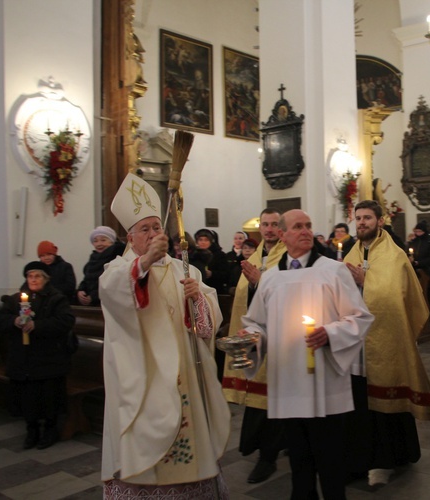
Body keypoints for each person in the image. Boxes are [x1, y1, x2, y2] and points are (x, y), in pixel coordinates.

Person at [98, 173, 230, 498]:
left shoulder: (185, 269)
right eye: (145, 229)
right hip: (142, 376)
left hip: (183, 372)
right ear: (130, 237)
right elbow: (115, 294)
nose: (155, 233)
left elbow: (207, 324)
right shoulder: (117, 270)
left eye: (157, 226)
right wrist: (143, 264)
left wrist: (198, 297)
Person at [239, 209, 373, 500]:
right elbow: (256, 323)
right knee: (299, 463)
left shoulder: (333, 270)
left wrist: (331, 333)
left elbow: (359, 317)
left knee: (331, 462)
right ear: (283, 235)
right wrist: (249, 338)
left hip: (325, 380)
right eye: (297, 227)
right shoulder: (271, 278)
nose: (305, 231)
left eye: (309, 226)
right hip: (289, 382)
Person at [344, 200, 430, 486]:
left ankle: (386, 461)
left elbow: (395, 294)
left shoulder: (395, 255)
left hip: (386, 340)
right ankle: (360, 459)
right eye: (358, 218)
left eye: (367, 218)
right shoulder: (351, 252)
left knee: (385, 401)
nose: (362, 223)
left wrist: (365, 280)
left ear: (380, 221)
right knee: (361, 403)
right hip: (356, 343)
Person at [222, 208, 288, 485]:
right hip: (255, 338)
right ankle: (265, 449)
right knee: (259, 400)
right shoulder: (256, 255)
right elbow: (244, 296)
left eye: (275, 224)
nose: (270, 229)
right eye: (265, 224)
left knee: (273, 401)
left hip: (278, 343)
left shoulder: (287, 257)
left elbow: (291, 295)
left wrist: (260, 283)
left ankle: (268, 456)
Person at [0, 261, 75, 450]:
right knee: (27, 397)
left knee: (48, 396)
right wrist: (14, 320)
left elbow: (65, 321)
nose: (33, 279)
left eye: (38, 276)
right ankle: (32, 430)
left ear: (46, 279)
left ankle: (50, 429)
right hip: (23, 359)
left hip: (48, 358)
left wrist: (37, 326)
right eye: (30, 276)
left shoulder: (56, 298)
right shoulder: (16, 300)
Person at [76, 226, 125, 306]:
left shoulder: (117, 258)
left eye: (103, 240)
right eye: (95, 241)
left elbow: (113, 283)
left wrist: (94, 296)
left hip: (110, 304)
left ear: (112, 241)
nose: (99, 244)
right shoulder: (93, 259)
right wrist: (81, 290)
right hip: (92, 303)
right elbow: (87, 279)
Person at [409, 220, 430, 326]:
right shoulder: (414, 241)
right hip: (415, 271)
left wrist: (419, 262)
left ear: (424, 231)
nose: (418, 233)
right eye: (416, 231)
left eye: (419, 231)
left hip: (428, 272)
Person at [193, 228, 230, 293]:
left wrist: (212, 274)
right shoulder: (193, 255)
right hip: (197, 288)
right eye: (200, 240)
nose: (203, 242)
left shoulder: (220, 255)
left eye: (206, 240)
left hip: (215, 288)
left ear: (211, 241)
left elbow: (226, 274)